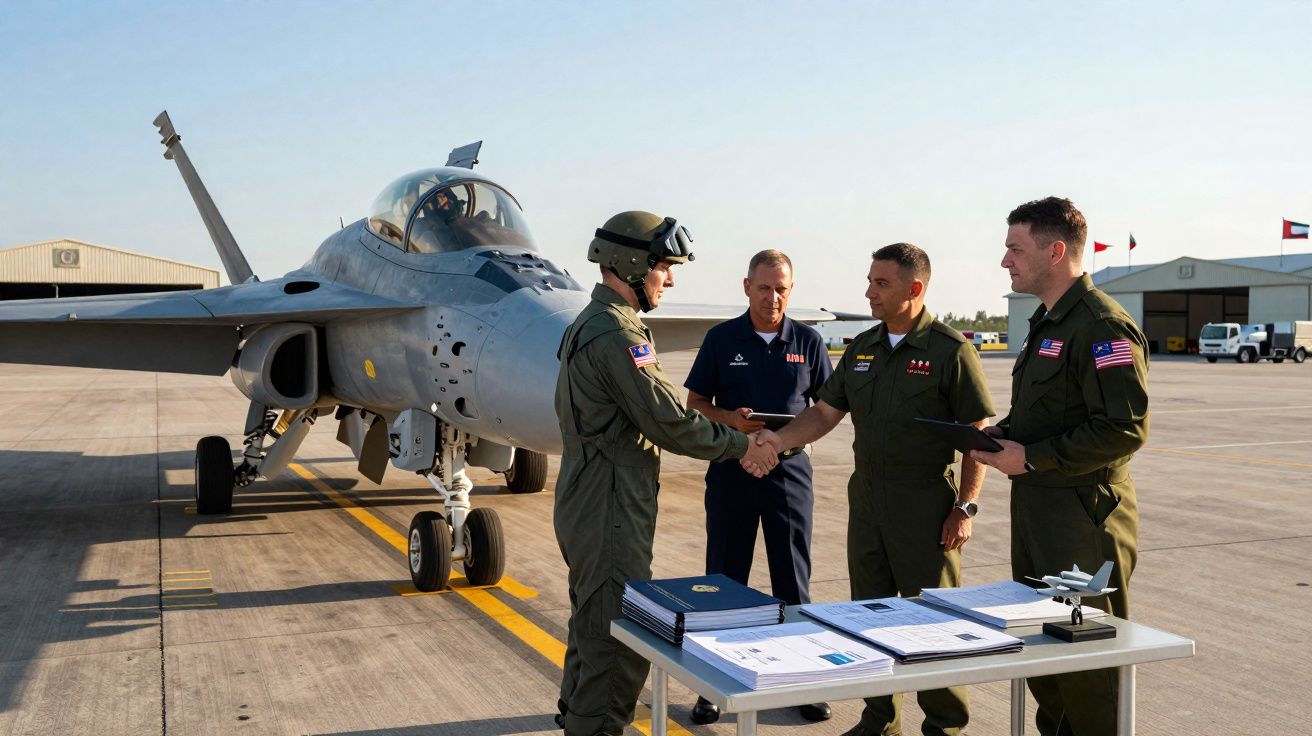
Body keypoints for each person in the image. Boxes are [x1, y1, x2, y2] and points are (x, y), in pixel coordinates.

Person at [553, 210, 780, 736]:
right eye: (664, 267)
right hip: (610, 507)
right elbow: (671, 423)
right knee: (618, 642)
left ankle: (578, 716)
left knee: (592, 623)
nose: (670, 280)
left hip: (591, 499)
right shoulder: (616, 334)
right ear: (632, 264)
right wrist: (742, 445)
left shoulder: (593, 321)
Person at [757, 243, 993, 736]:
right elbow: (824, 412)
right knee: (868, 614)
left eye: (881, 283)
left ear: (914, 288)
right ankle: (880, 720)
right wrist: (778, 441)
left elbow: (977, 433)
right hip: (866, 501)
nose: (869, 292)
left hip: (925, 505)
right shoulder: (863, 348)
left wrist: (965, 507)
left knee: (934, 622)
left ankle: (945, 726)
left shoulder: (950, 351)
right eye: (869, 281)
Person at [970, 197, 1148, 736]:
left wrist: (1031, 457)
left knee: (1089, 668)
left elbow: (1124, 429)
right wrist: (1006, 434)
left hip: (1082, 521)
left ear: (1054, 252)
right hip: (1039, 512)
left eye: (1015, 248)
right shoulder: (1048, 323)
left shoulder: (1102, 326)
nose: (1005, 260)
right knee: (1046, 658)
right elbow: (1050, 412)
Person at [682, 249, 834, 725]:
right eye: (764, 287)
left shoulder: (808, 340)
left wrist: (777, 444)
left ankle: (803, 681)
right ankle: (711, 687)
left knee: (793, 581)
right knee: (723, 582)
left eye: (781, 289)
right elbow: (696, 403)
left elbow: (825, 409)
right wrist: (731, 420)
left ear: (792, 289)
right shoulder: (721, 338)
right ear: (747, 286)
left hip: (789, 474)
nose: (773, 298)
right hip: (733, 471)